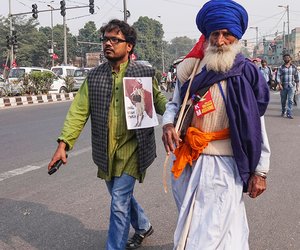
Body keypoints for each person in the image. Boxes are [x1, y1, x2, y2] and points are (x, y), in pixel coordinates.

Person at [48, 19, 167, 250]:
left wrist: (175, 118)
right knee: (119, 196)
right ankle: (143, 226)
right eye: (105, 39)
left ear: (129, 46)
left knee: (119, 202)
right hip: (106, 150)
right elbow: (78, 112)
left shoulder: (142, 72)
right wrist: (64, 144)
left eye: (115, 40)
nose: (108, 44)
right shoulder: (94, 77)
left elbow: (158, 100)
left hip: (134, 147)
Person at [161, 1, 271, 249]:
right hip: (190, 163)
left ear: (236, 37)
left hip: (225, 166)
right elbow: (174, 104)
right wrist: (168, 124)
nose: (221, 41)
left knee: (208, 234)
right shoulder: (192, 70)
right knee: (203, 228)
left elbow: (256, 125)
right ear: (207, 37)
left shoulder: (245, 73)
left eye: (227, 34)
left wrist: (260, 171)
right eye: (215, 34)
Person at [276, 53, 299, 119]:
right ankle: (283, 111)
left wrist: (297, 86)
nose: (286, 59)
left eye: (287, 58)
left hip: (291, 86)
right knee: (283, 100)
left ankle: (289, 113)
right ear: (283, 59)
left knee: (290, 100)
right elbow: (278, 76)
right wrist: (279, 84)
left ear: (290, 59)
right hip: (283, 86)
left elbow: (296, 76)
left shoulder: (294, 67)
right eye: (285, 58)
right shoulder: (281, 67)